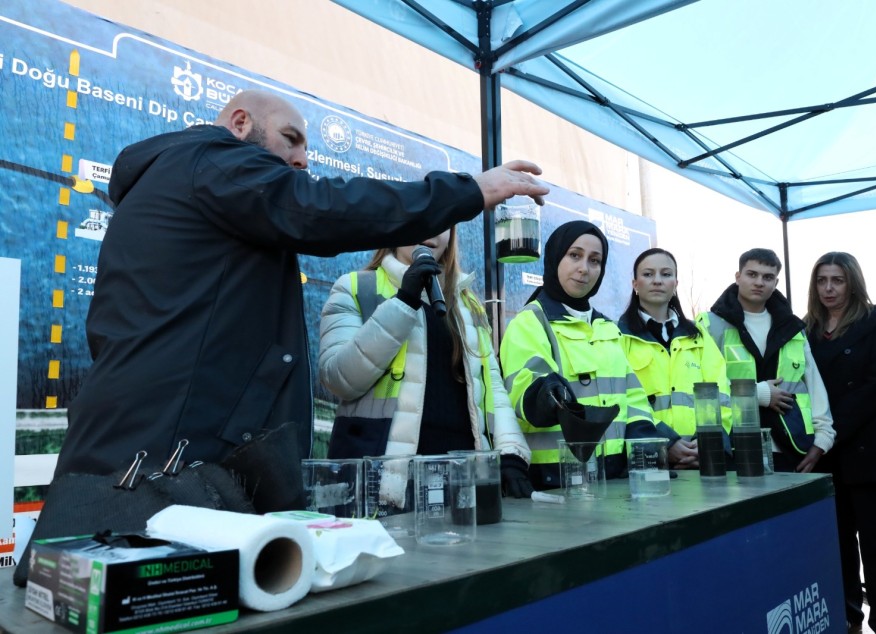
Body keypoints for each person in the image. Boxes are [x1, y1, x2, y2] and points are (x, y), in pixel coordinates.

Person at [55, 89, 549, 485]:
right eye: (290, 139)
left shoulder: (188, 184)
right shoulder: (209, 159)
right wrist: (468, 191)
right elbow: (318, 208)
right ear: (241, 123)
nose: (301, 159)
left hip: (156, 442)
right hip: (164, 455)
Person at [318, 227, 534, 497]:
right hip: (389, 480)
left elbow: (494, 390)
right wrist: (404, 301)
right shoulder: (355, 287)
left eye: (444, 222)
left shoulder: (468, 303)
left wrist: (511, 454)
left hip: (462, 479)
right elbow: (339, 379)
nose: (431, 229)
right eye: (421, 217)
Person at [499, 221, 682, 490]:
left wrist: (646, 455)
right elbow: (521, 389)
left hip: (613, 478)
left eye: (595, 260)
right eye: (574, 255)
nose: (584, 268)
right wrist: (545, 394)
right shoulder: (530, 321)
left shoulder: (607, 328)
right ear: (555, 258)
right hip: (556, 480)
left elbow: (634, 400)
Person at [805, 252, 876, 634]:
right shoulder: (806, 328)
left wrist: (833, 430)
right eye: (822, 280)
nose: (828, 289)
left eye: (837, 280)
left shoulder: (875, 318)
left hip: (866, 445)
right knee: (837, 541)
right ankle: (846, 614)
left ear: (852, 281)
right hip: (826, 451)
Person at [697, 248, 835, 473]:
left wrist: (822, 440)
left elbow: (814, 386)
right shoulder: (709, 325)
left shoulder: (792, 328)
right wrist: (758, 393)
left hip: (791, 448)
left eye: (767, 277)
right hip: (733, 448)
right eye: (752, 274)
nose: (759, 282)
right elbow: (703, 389)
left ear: (776, 282)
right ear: (738, 276)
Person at [617, 248, 732, 469]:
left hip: (701, 461)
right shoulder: (618, 337)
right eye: (648, 274)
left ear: (676, 284)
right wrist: (665, 443)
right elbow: (623, 401)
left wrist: (707, 444)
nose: (657, 281)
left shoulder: (698, 336)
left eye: (666, 274)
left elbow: (722, 396)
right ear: (635, 284)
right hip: (646, 463)